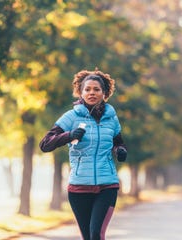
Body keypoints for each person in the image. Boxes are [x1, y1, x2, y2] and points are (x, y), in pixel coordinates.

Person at [39, 69, 127, 240]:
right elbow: (45, 144)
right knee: (87, 237)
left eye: (96, 89)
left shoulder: (112, 118)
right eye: (87, 89)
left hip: (107, 185)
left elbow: (118, 142)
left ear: (104, 93)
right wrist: (69, 135)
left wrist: (120, 151)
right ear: (80, 92)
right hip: (79, 187)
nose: (92, 93)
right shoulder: (71, 117)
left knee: (96, 234)